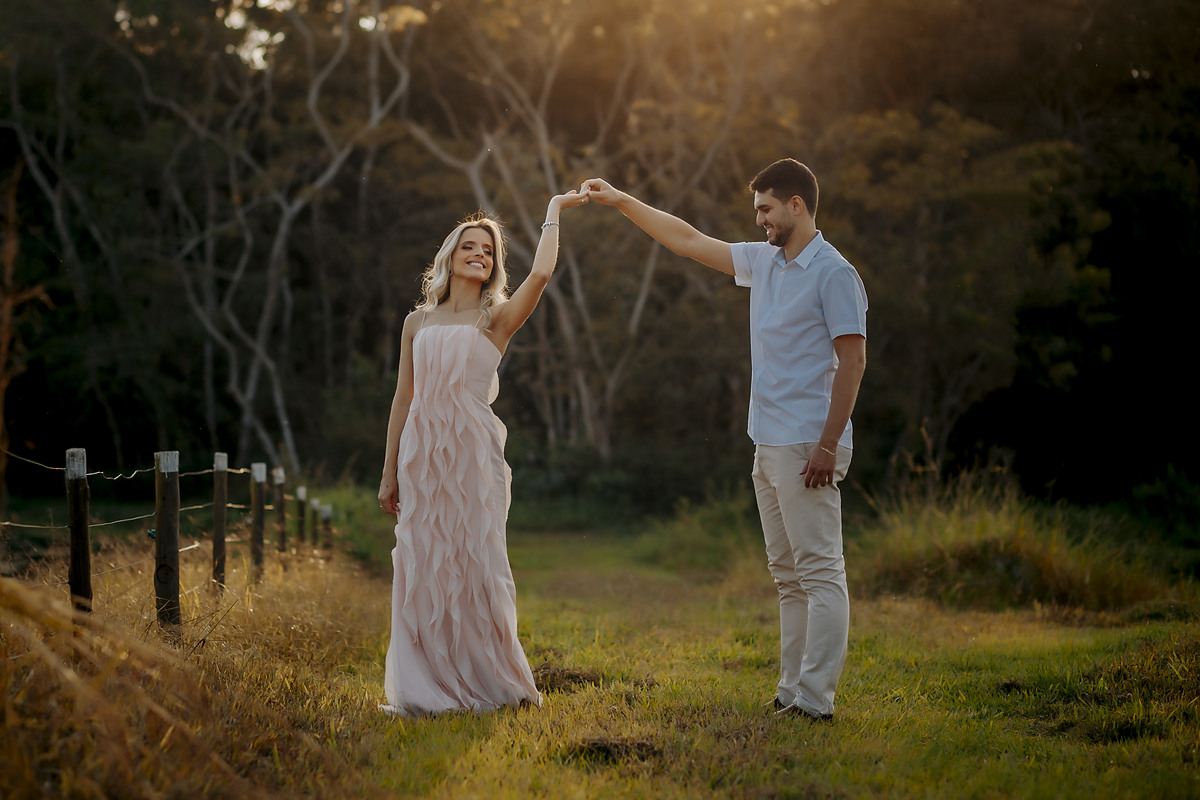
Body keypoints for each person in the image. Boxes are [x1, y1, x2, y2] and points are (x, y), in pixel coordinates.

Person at [581, 160, 867, 722]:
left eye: (765, 209)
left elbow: (853, 362)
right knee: (788, 577)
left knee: (820, 571)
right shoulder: (765, 263)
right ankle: (791, 693)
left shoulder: (834, 273)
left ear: (796, 205)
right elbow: (686, 239)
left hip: (809, 443)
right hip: (767, 439)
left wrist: (828, 446)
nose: (758, 220)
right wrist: (620, 201)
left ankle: (816, 700)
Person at [376, 191, 588, 716]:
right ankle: (428, 682)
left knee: (474, 560)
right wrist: (389, 473)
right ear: (450, 255)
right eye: (470, 246)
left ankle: (492, 679)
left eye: (489, 251)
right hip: (421, 453)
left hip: (472, 452)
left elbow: (538, 277)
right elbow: (404, 397)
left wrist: (554, 211)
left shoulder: (495, 319)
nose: (480, 254)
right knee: (424, 562)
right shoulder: (416, 322)